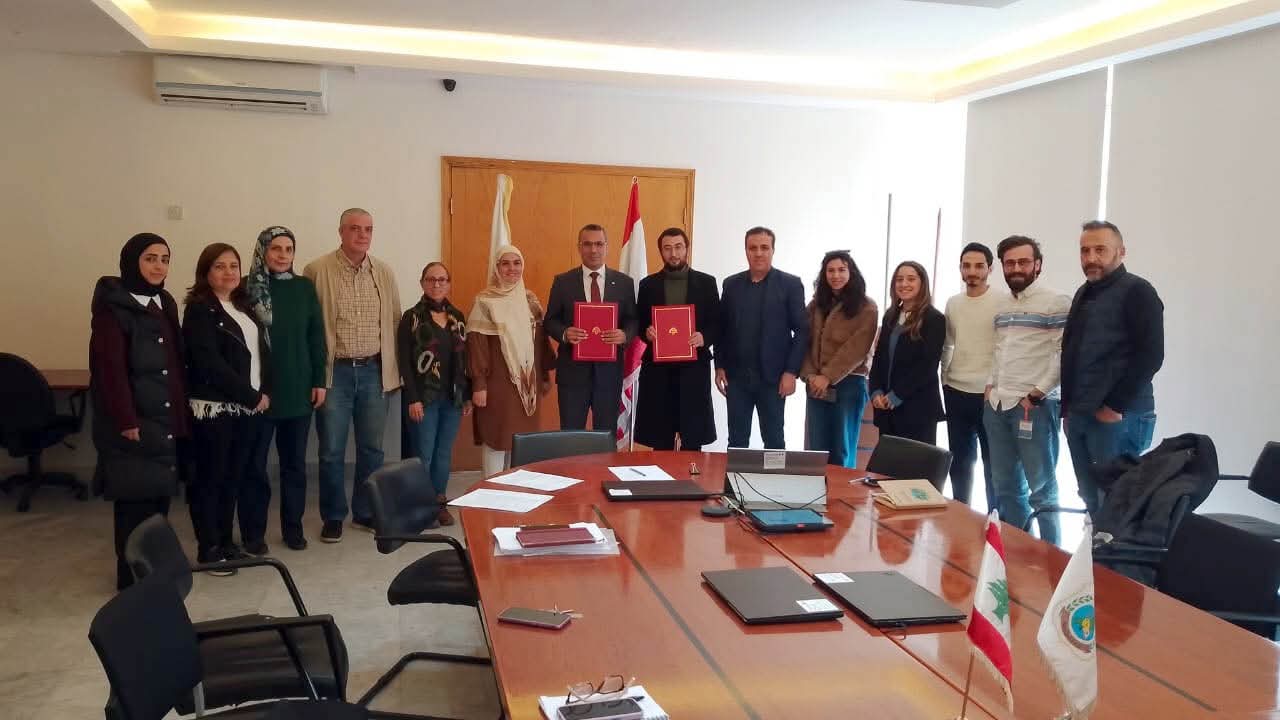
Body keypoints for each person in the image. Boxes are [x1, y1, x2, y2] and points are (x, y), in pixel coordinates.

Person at [90, 233, 191, 590]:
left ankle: (152, 574)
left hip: (163, 416)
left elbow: (173, 363)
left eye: (165, 259)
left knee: (158, 498)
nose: (158, 266)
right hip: (135, 421)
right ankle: (130, 579)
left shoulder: (164, 301)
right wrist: (126, 419)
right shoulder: (113, 309)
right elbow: (110, 371)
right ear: (132, 261)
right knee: (134, 501)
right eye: (150, 258)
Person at [303, 208, 402, 543]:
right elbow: (310, 327)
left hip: (374, 371)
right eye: (355, 228)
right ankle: (333, 516)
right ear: (341, 232)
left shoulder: (383, 272)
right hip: (336, 373)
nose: (363, 235)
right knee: (331, 450)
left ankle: (365, 512)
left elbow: (394, 321)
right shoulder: (317, 270)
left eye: (368, 229)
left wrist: (394, 370)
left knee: (372, 449)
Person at [1062, 220, 1164, 516]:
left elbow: (1151, 355)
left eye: (1100, 250)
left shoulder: (1139, 291)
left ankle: (1113, 550)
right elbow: (1072, 353)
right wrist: (1066, 409)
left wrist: (1114, 406)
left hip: (1119, 416)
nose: (1091, 258)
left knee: (1116, 502)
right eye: (1084, 251)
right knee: (1090, 497)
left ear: (1121, 252)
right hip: (1080, 413)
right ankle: (1095, 547)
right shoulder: (1084, 292)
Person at [183, 243, 273, 563]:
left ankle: (226, 542)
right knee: (211, 480)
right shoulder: (199, 309)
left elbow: (260, 355)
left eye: (233, 266)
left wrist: (264, 392)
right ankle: (209, 549)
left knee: (232, 480)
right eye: (219, 266)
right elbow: (210, 363)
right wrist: (252, 396)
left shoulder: (242, 306)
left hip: (247, 408)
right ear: (205, 272)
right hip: (216, 408)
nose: (229, 272)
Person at [983, 235, 1071, 544]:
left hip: (1034, 406)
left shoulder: (1056, 302)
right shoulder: (1002, 304)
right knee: (1006, 488)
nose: (1016, 268)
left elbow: (1064, 355)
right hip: (998, 405)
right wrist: (990, 386)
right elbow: (999, 349)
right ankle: (1020, 552)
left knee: (1042, 490)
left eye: (1023, 262)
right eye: (1010, 263)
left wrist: (1037, 393)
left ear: (1038, 265)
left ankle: (1051, 557)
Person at [244, 226, 326, 551]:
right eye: (275, 248)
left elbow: (316, 336)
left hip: (298, 390)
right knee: (255, 467)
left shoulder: (304, 288)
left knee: (294, 467)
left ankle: (293, 529)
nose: (282, 255)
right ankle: (254, 534)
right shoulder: (246, 289)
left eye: (288, 249)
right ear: (263, 251)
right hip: (259, 393)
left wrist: (319, 380)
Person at [716, 227, 808, 449]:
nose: (758, 253)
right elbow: (722, 328)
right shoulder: (731, 284)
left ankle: (774, 475)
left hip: (774, 379)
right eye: (753, 248)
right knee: (736, 440)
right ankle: (737, 475)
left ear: (773, 250)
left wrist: (791, 372)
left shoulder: (790, 284)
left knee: (774, 439)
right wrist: (719, 366)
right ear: (746, 251)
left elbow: (802, 331)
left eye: (764, 248)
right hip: (737, 378)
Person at [467, 246, 555, 477]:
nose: (511, 268)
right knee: (497, 438)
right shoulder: (484, 301)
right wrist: (479, 385)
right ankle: (491, 489)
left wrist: (544, 375)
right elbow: (477, 345)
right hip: (497, 383)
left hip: (527, 384)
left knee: (519, 442)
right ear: (496, 268)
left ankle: (510, 490)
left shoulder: (530, 301)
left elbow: (540, 342)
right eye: (505, 263)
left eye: (517, 263)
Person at [544, 224, 638, 433]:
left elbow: (633, 320)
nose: (593, 250)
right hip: (572, 375)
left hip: (609, 375)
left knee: (605, 435)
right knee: (571, 434)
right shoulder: (563, 282)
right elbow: (550, 320)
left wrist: (624, 335)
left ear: (607, 247)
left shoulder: (624, 283)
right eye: (587, 244)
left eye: (599, 244)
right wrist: (564, 333)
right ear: (579, 247)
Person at [398, 262, 472, 526]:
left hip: (452, 398)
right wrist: (413, 398)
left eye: (442, 279)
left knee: (443, 454)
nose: (437, 284)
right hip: (424, 399)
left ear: (449, 284)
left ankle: (439, 503)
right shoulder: (411, 318)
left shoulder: (458, 317)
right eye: (431, 279)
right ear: (422, 283)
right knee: (424, 455)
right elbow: (404, 362)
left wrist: (466, 395)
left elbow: (464, 360)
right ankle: (420, 508)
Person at [634, 228, 720, 451]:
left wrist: (704, 337)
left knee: (693, 439)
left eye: (678, 247)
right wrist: (647, 332)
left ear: (687, 249)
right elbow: (638, 322)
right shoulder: (648, 285)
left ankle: (692, 474)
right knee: (660, 440)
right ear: (661, 252)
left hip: (694, 370)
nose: (673, 253)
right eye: (668, 248)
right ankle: (661, 474)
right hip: (658, 371)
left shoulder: (707, 283)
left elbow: (717, 322)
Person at [799, 250, 878, 468]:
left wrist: (827, 376)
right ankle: (817, 490)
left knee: (842, 450)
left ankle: (840, 490)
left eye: (841, 270)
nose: (836, 275)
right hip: (816, 385)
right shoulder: (816, 305)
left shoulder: (867, 306)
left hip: (849, 384)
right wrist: (810, 376)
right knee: (816, 451)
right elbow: (804, 340)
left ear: (851, 272)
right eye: (830, 271)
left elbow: (857, 348)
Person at [942, 242, 1001, 507]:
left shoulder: (1001, 301)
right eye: (967, 266)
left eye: (979, 266)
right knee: (960, 462)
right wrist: (944, 379)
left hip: (989, 395)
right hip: (956, 391)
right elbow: (947, 344)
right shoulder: (954, 303)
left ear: (990, 269)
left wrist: (993, 383)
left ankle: (994, 519)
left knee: (993, 463)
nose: (972, 272)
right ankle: (960, 513)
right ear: (960, 269)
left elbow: (1004, 347)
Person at [869, 261, 945, 444]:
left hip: (917, 408)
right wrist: (875, 391)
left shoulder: (934, 318)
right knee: (888, 462)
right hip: (886, 408)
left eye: (911, 279)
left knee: (915, 463)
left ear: (922, 283)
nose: (904, 284)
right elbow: (879, 358)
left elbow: (927, 366)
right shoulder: (890, 316)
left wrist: (897, 395)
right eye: (899, 279)